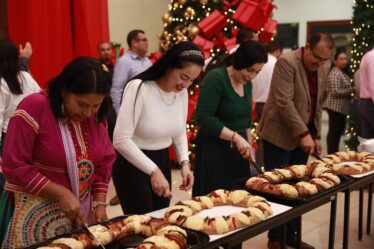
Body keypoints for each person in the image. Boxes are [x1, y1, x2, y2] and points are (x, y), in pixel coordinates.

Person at [1, 57, 115, 248]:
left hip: (79, 212)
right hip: (35, 212)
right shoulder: (34, 107)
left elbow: (105, 161)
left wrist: (100, 204)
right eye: (82, 104)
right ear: (64, 91)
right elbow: (14, 164)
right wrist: (61, 193)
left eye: (95, 106)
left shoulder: (97, 116)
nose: (88, 113)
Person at [258, 32, 334, 249]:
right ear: (307, 47)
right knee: (279, 188)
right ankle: (275, 238)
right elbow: (283, 102)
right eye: (316, 58)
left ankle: (292, 234)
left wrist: (316, 133)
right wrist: (304, 134)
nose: (319, 63)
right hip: (279, 136)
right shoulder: (287, 62)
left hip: (303, 136)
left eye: (324, 60)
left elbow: (318, 102)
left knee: (299, 187)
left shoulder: (322, 67)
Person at [112, 41, 202, 214]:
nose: (186, 85)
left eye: (191, 80)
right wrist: (153, 170)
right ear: (169, 66)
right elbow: (121, 140)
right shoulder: (140, 88)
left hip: (161, 160)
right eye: (183, 77)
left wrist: (184, 163)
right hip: (133, 162)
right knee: (141, 227)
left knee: (159, 221)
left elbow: (179, 130)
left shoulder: (181, 93)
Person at [193, 40, 267, 196]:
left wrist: (248, 145)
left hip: (238, 151)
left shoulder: (246, 83)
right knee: (215, 199)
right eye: (249, 70)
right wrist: (235, 137)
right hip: (214, 150)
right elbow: (203, 118)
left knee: (238, 198)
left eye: (257, 72)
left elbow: (246, 120)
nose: (252, 76)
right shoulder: (215, 78)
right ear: (239, 62)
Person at [0, 38, 40, 245]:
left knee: (7, 192)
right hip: (32, 141)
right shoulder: (26, 77)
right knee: (24, 189)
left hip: (8, 142)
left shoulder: (1, 81)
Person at [111, 29, 152, 114]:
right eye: (144, 40)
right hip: (132, 110)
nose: (147, 43)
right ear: (134, 43)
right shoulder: (124, 61)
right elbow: (117, 89)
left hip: (148, 108)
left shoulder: (147, 60)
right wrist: (120, 113)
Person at [323, 48, 355, 153]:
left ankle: (334, 152)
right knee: (334, 132)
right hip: (335, 107)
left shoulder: (341, 72)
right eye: (341, 59)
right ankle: (332, 153)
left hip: (341, 108)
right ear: (335, 61)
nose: (344, 61)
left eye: (345, 59)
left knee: (337, 132)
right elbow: (335, 91)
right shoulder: (335, 73)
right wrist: (352, 90)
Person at [252, 40, 283, 120]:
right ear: (278, 51)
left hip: (255, 103)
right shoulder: (277, 63)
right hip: (271, 104)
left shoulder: (259, 61)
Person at [358, 47, 374, 139]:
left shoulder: (367, 55)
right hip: (371, 104)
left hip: (366, 103)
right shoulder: (373, 57)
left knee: (368, 142)